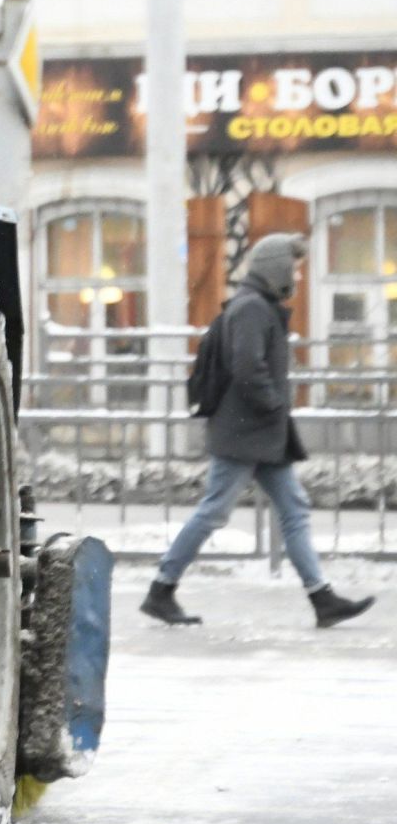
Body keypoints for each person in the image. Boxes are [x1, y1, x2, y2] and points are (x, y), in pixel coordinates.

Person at [142, 233, 376, 628]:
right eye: (295, 268)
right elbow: (247, 367)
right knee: (215, 510)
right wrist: (274, 403)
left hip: (262, 433)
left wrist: (274, 411)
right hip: (246, 432)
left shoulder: (257, 306)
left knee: (293, 510)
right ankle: (160, 590)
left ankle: (322, 598)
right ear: (277, 269)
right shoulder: (252, 308)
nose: (298, 277)